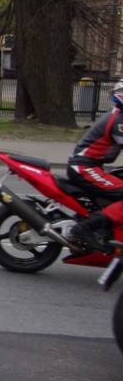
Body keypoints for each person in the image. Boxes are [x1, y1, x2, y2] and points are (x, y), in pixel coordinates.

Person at [66, 79, 123, 253]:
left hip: (88, 166)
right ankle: (85, 228)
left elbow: (111, 153)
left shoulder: (117, 115)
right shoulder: (118, 121)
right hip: (84, 167)